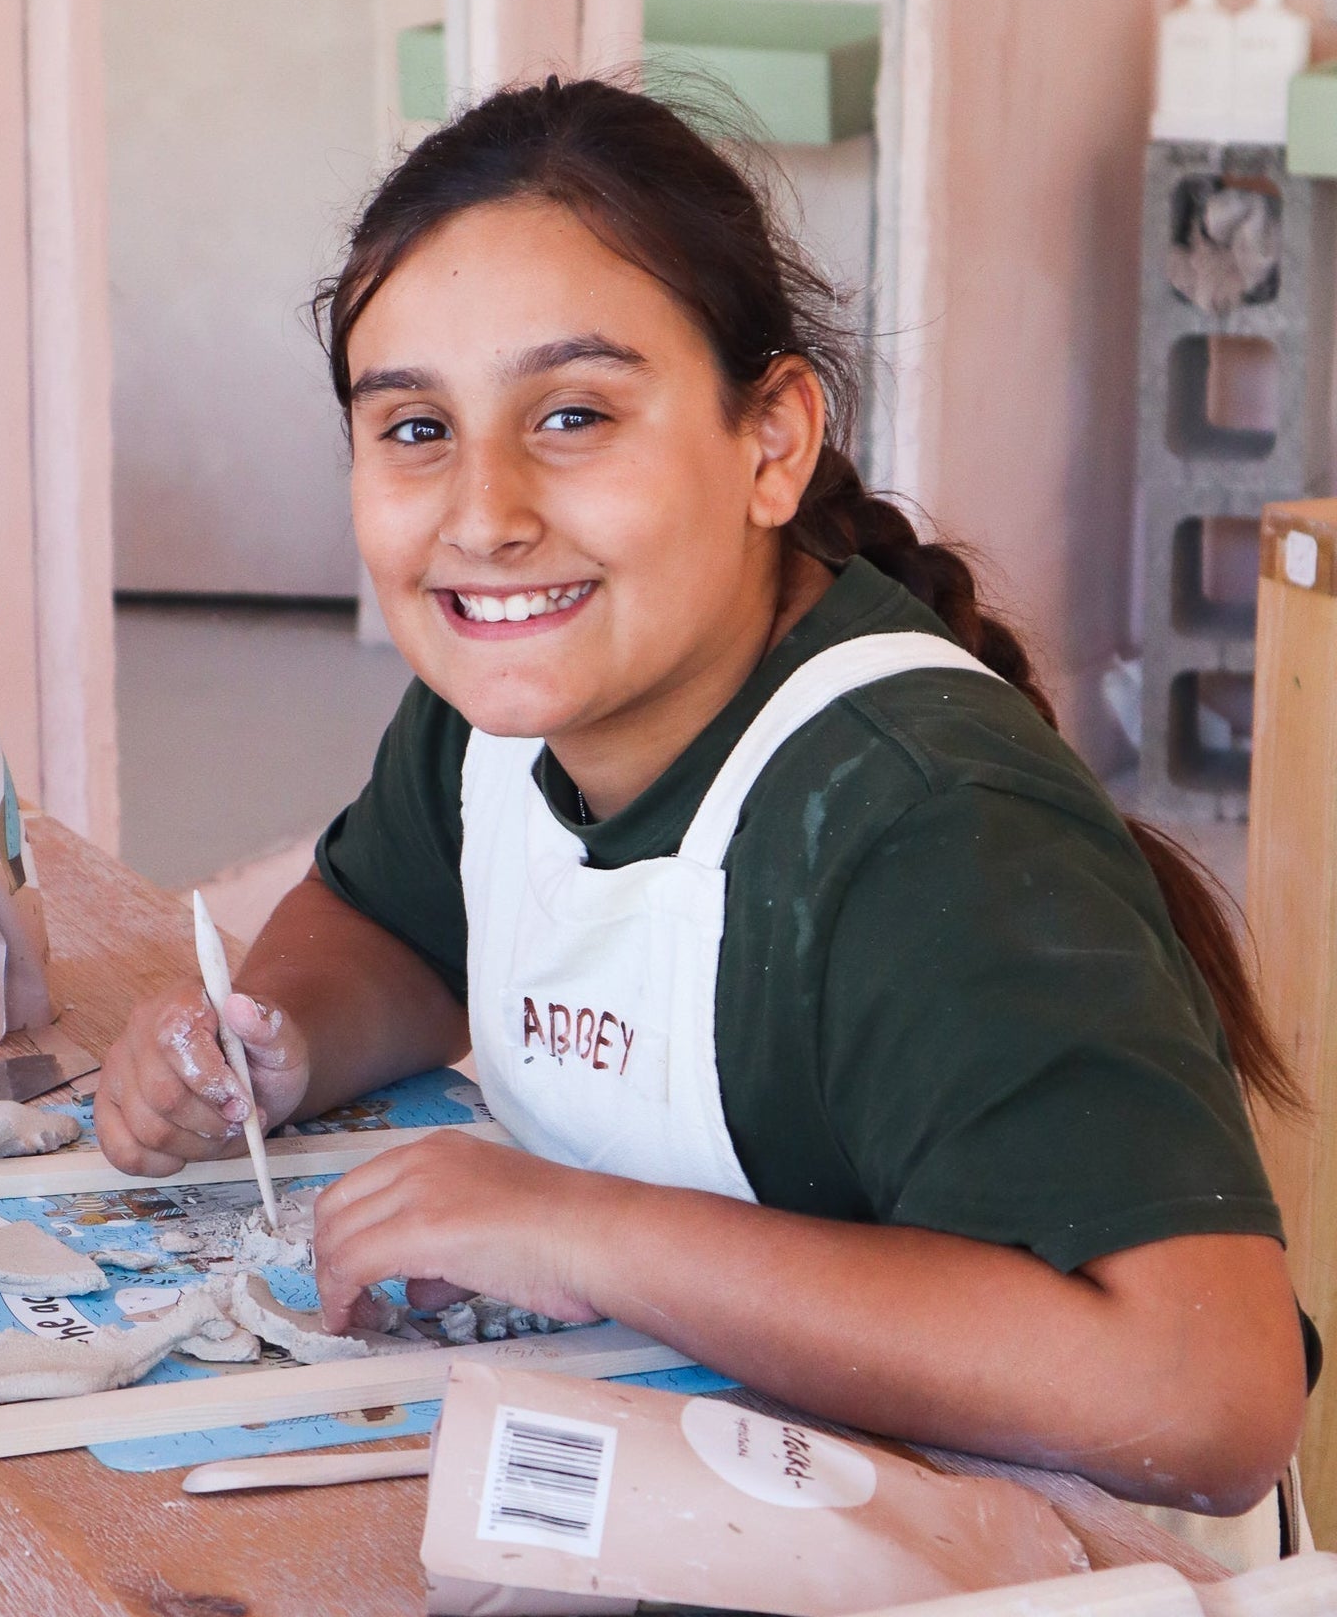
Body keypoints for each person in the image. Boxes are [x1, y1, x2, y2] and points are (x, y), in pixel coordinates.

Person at [97, 76, 1309, 1524]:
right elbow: (402, 928)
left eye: (574, 414)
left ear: (772, 441)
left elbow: (1206, 1392)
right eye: (414, 430)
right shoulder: (501, 717)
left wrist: (582, 1234)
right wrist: (275, 1039)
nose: (484, 514)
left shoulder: (928, 831)